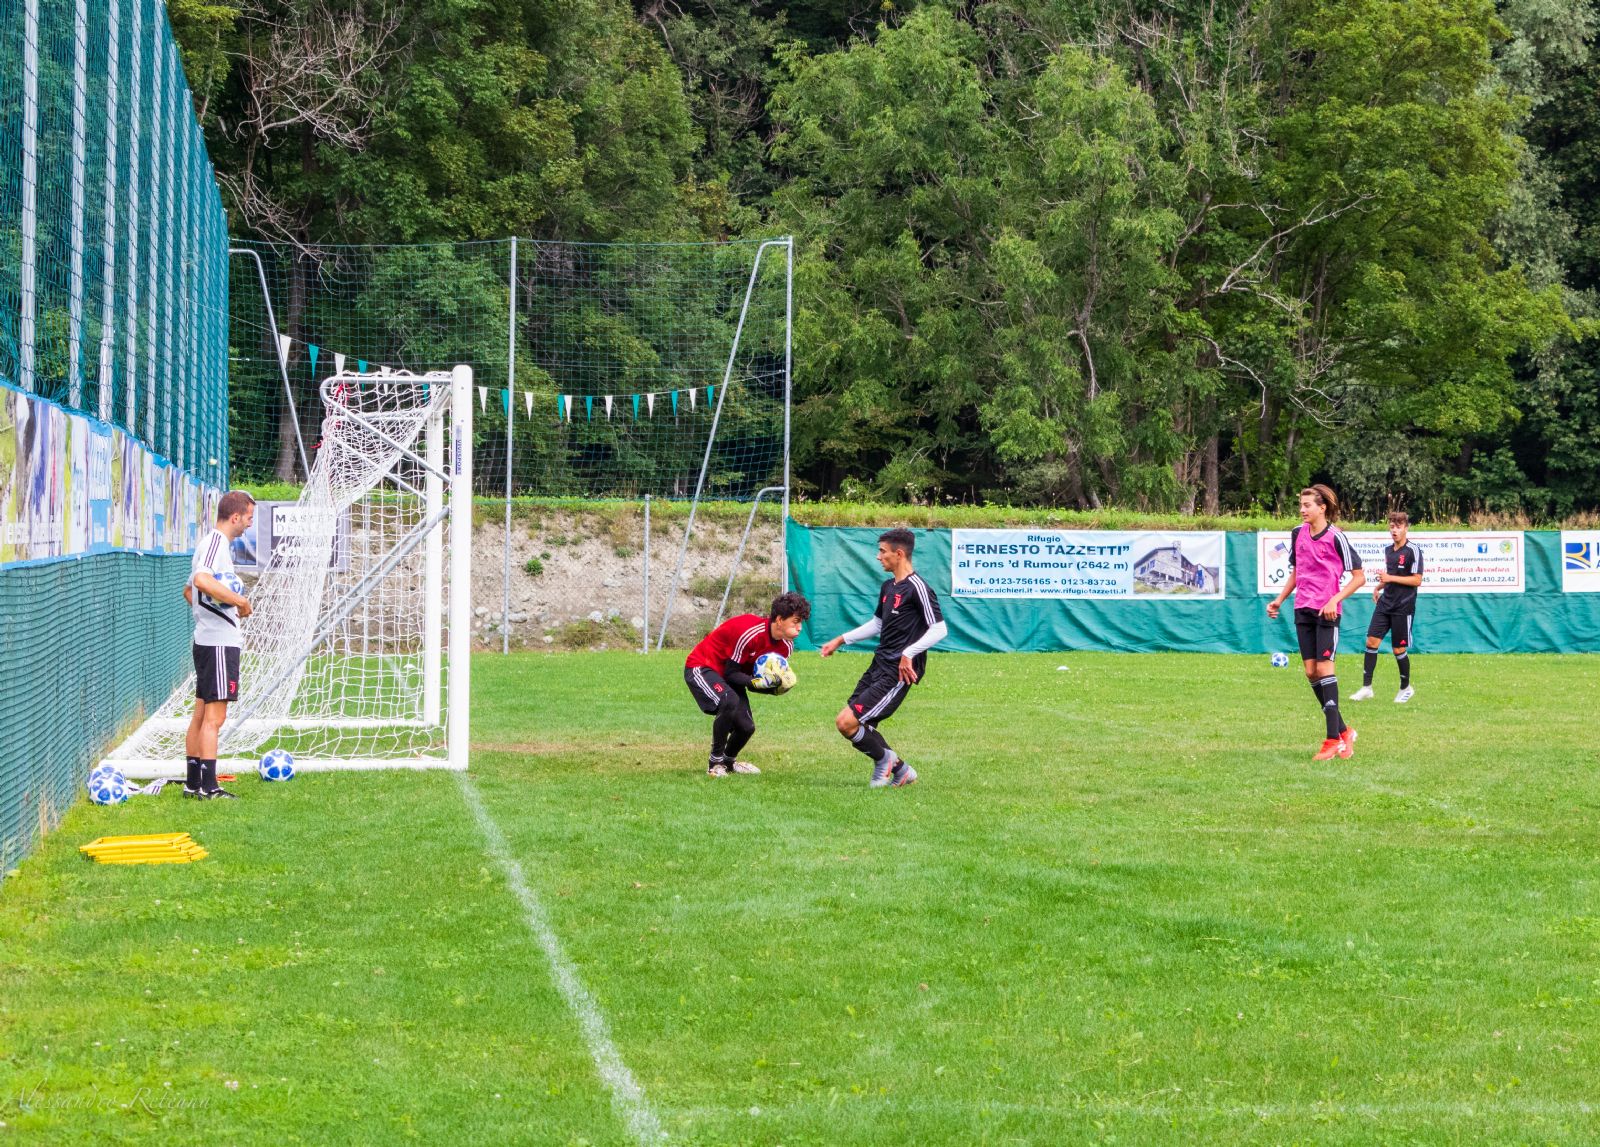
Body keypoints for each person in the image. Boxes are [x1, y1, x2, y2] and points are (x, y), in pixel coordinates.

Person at [819, 528, 948, 788]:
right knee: (848, 723)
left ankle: (885, 762)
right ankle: (900, 769)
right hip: (879, 664)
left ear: (899, 554)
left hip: (898, 672)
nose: (878, 557)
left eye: (882, 551)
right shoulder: (888, 586)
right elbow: (878, 624)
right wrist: (840, 640)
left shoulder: (918, 588)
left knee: (848, 722)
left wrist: (908, 653)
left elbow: (939, 629)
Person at [1266, 485, 1366, 760]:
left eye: (1307, 505)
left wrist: (1335, 599)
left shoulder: (1337, 537)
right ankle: (1345, 731)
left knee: (1324, 669)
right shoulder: (1297, 533)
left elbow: (1359, 577)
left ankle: (1332, 739)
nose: (1302, 509)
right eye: (1301, 505)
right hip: (1303, 609)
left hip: (1327, 612)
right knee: (1311, 672)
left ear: (1322, 508)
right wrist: (1279, 600)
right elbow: (1297, 571)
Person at [684, 591, 811, 776]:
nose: (799, 628)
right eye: (795, 621)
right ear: (779, 620)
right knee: (728, 700)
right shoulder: (751, 633)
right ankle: (715, 763)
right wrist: (759, 682)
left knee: (746, 727)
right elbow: (731, 673)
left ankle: (728, 762)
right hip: (703, 666)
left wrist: (776, 688)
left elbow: (752, 680)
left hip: (730, 675)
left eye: (801, 622)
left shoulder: (786, 647)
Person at [181, 491, 255, 798]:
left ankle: (192, 783)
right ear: (235, 517)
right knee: (215, 718)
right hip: (218, 644)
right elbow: (200, 582)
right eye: (248, 518)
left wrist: (212, 610)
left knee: (201, 716)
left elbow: (189, 592)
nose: (250, 524)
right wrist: (238, 601)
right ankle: (210, 787)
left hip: (209, 640)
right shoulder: (215, 544)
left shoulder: (211, 545)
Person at [1352, 511, 1422, 704]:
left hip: (1403, 606)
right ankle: (1366, 688)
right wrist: (1379, 586)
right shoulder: (1388, 550)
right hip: (1385, 603)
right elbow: (1391, 575)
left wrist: (1389, 578)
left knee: (1398, 648)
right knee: (1371, 641)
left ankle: (1406, 688)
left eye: (1398, 526)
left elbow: (1417, 580)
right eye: (1392, 526)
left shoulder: (1413, 550)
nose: (1394, 530)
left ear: (1406, 528)